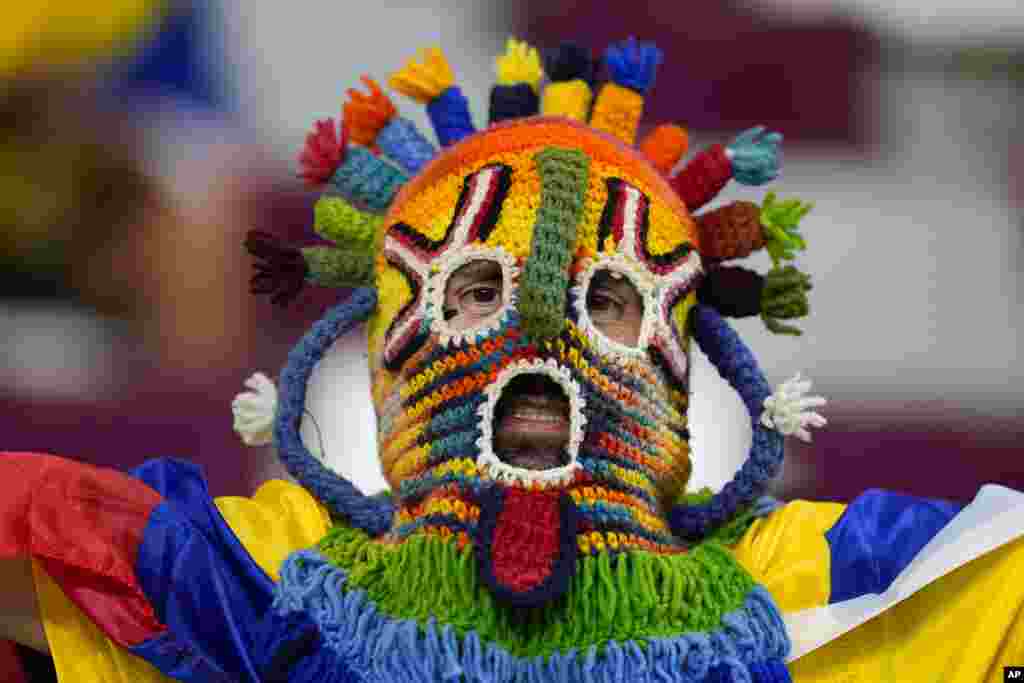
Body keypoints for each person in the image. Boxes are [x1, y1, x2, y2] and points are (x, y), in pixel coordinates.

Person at [2, 37, 1023, 683]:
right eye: (477, 291)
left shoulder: (822, 588)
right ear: (387, 356)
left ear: (679, 369)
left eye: (608, 299)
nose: (541, 334)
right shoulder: (269, 586)